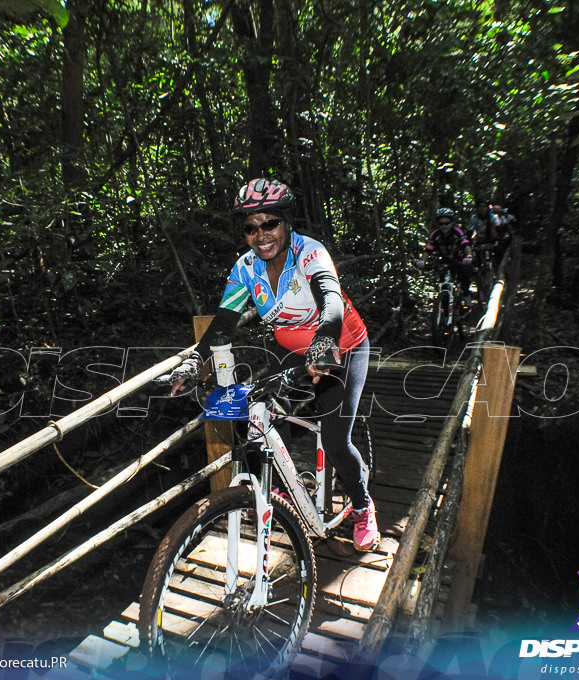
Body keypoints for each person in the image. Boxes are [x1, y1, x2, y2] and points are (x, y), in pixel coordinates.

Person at [168, 177, 379, 552]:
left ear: (287, 222)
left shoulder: (309, 253)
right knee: (258, 416)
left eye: (270, 224)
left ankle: (362, 506)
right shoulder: (245, 268)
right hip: (293, 353)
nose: (261, 234)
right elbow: (223, 324)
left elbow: (330, 301)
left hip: (340, 347)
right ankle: (282, 488)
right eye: (250, 227)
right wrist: (193, 363)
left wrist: (324, 342)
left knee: (333, 438)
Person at [415, 207, 473, 297]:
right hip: (444, 260)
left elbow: (465, 244)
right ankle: (443, 301)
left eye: (447, 223)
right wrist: (422, 260)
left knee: (464, 275)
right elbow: (428, 248)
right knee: (442, 279)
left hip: (458, 259)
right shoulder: (435, 234)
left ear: (452, 223)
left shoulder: (457, 232)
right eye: (441, 224)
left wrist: (469, 256)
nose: (444, 226)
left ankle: (466, 296)